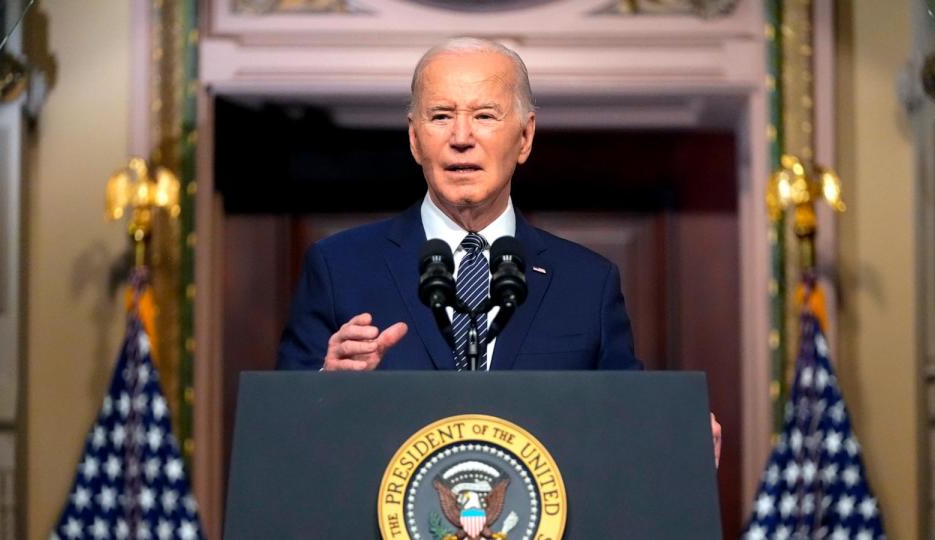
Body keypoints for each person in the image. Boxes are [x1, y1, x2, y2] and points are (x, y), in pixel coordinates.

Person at [276, 37, 721, 464]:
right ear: (415, 139)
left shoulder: (587, 284)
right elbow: (279, 436)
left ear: (525, 137)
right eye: (440, 116)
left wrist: (676, 447)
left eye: (485, 115)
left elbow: (627, 429)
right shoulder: (339, 267)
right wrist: (326, 388)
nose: (462, 137)